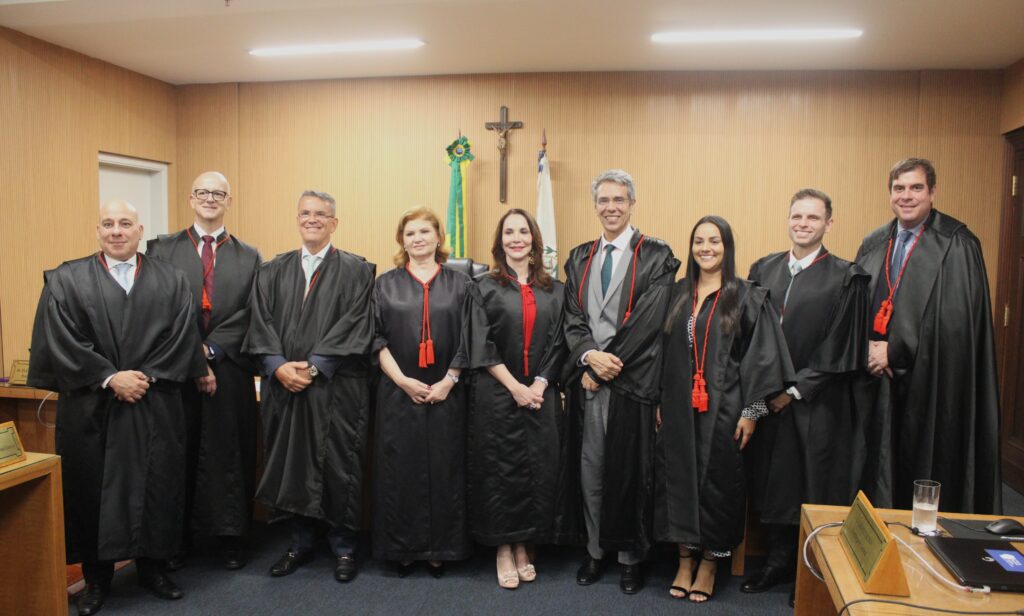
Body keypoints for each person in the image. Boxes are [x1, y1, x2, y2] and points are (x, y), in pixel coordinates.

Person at [27, 201, 207, 615]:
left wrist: (143, 378)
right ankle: (96, 580)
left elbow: (182, 337)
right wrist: (110, 377)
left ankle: (153, 569)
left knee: (157, 484)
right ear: (97, 231)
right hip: (92, 407)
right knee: (91, 490)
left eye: (125, 223)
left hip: (154, 402)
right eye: (108, 224)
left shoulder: (172, 280)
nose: (116, 231)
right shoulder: (67, 280)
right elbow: (62, 340)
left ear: (140, 230)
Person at [656, 215, 793, 604]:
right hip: (678, 406)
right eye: (699, 241)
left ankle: (710, 563)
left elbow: (762, 357)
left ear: (727, 247)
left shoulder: (746, 296)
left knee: (719, 485)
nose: (706, 248)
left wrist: (751, 411)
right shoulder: (676, 293)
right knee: (678, 481)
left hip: (726, 408)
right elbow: (659, 350)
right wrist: (659, 401)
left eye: (714, 241)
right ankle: (684, 560)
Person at [855, 158, 1001, 514]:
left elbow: (957, 327)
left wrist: (896, 351)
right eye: (899, 188)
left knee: (924, 466)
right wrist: (866, 348)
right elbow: (854, 307)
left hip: (933, 384)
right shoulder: (875, 242)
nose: (906, 196)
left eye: (916, 188)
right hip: (878, 381)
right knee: (878, 468)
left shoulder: (957, 244)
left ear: (932, 192)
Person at [744, 190, 870, 604]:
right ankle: (775, 562)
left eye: (813, 217)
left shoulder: (847, 276)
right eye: (797, 215)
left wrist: (795, 390)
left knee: (812, 483)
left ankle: (811, 574)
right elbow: (749, 334)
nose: (803, 223)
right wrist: (767, 391)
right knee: (772, 481)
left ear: (828, 224)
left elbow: (841, 344)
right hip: (767, 399)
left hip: (818, 401)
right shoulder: (763, 269)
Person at [243, 190, 375, 582]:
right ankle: (299, 544)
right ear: (297, 219)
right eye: (305, 213)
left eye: (320, 214)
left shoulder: (357, 271)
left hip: (336, 389)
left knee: (339, 464)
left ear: (334, 223)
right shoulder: (272, 270)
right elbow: (259, 321)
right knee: (292, 464)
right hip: (284, 388)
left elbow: (357, 324)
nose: (312, 219)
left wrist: (315, 367)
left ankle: (344, 548)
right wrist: (277, 366)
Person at [559, 169, 680, 595]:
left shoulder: (657, 255)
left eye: (619, 200)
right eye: (604, 200)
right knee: (590, 470)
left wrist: (604, 367)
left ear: (632, 204)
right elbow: (572, 317)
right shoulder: (579, 257)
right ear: (595, 205)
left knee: (630, 472)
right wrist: (588, 357)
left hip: (635, 383)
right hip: (589, 384)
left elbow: (650, 321)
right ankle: (595, 551)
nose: (611, 207)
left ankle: (630, 558)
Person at [146, 171, 261, 571]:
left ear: (229, 201)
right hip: (175, 368)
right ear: (191, 199)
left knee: (230, 452)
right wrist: (193, 355)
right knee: (178, 452)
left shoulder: (250, 256)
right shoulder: (161, 249)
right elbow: (156, 307)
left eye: (218, 193)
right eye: (202, 192)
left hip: (229, 367)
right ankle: (175, 540)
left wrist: (211, 350)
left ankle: (230, 537)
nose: (210, 199)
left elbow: (253, 312)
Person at [465, 208, 567, 589]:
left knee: (535, 471)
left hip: (540, 395)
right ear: (500, 242)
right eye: (509, 232)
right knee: (500, 472)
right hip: (497, 393)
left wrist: (539, 384)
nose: (516, 239)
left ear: (534, 240)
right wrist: (515, 387)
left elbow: (560, 341)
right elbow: (480, 342)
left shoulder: (556, 290)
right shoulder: (482, 287)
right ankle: (503, 548)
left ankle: (524, 544)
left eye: (523, 232)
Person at [371, 206, 472, 577]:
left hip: (448, 392)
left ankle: (440, 549)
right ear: (402, 240)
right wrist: (402, 380)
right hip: (398, 392)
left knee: (445, 469)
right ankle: (403, 548)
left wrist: (449, 380)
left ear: (438, 237)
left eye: (425, 232)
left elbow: (470, 337)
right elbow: (374, 338)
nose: (418, 239)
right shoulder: (384, 284)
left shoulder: (462, 284)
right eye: (410, 233)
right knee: (401, 471)